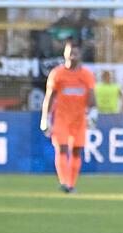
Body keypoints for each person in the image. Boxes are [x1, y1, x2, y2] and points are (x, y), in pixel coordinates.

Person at [40, 40, 97, 194]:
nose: (73, 55)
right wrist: (45, 118)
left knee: (77, 151)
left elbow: (92, 97)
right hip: (61, 118)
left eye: (75, 52)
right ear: (65, 53)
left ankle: (71, 184)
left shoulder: (86, 75)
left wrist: (93, 113)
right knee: (62, 148)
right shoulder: (57, 74)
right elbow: (49, 97)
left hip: (79, 119)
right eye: (70, 52)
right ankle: (64, 182)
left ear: (80, 55)